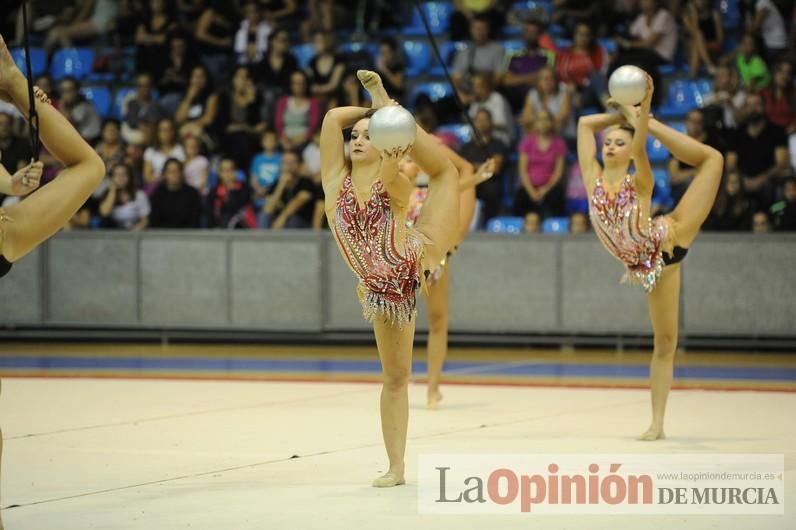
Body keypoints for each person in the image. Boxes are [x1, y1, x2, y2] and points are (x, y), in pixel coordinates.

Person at [320, 70, 460, 487]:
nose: (358, 138)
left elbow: (397, 174)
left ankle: (394, 107)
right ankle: (395, 467)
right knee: (395, 378)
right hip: (386, 291)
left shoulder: (394, 181)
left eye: (369, 134)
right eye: (356, 135)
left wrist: (389, 115)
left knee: (446, 173)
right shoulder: (334, 182)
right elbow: (331, 119)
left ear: (383, 142)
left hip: (425, 249)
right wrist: (374, 109)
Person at [577, 72, 724, 440]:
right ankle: (657, 423)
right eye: (607, 142)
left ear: (628, 151)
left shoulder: (640, 181)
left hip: (670, 240)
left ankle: (657, 422)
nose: (610, 145)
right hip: (648, 265)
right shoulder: (592, 179)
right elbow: (583, 124)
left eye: (618, 142)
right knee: (665, 343)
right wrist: (623, 115)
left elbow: (640, 149)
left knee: (713, 160)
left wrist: (643, 120)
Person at [401, 147, 495, 409]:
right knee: (398, 323)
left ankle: (433, 388)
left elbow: (454, 187)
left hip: (432, 262)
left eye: (409, 160)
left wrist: (476, 178)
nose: (402, 164)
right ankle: (398, 381)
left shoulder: (425, 194)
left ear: (418, 169)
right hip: (400, 265)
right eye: (399, 159)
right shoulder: (388, 192)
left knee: (438, 321)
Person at [148, 158, 203, 228]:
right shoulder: (158, 194)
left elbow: (195, 220)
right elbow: (154, 221)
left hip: (187, 235)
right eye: (170, 171)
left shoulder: (192, 193)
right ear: (164, 174)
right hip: (163, 235)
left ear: (181, 173)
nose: (174, 174)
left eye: (177, 171)